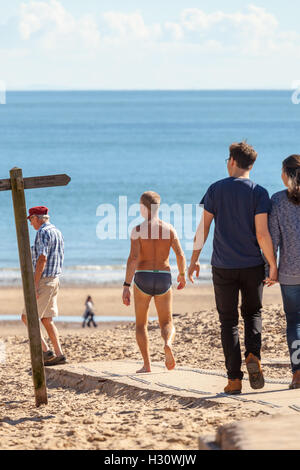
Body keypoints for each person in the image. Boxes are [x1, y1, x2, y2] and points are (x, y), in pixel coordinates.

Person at [188, 141, 278, 395]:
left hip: (223, 267)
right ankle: (253, 354)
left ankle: (234, 379)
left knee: (228, 322)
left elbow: (203, 228)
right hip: (252, 266)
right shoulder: (259, 192)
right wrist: (273, 264)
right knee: (253, 314)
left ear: (232, 161)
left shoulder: (215, 189)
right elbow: (262, 234)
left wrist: (194, 260)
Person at [122, 191, 186, 373]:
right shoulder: (169, 229)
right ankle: (167, 343)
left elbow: (133, 259)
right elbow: (180, 255)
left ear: (143, 208)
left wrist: (126, 286)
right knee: (166, 322)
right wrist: (181, 274)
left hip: (143, 277)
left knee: (141, 324)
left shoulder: (137, 230)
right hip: (164, 277)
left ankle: (147, 365)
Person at [269, 155, 300, 389]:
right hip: (289, 275)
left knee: (294, 323)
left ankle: (298, 374)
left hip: (289, 273)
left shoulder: (278, 200)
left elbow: (273, 240)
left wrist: (271, 269)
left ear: (286, 174)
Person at [21, 206, 66, 366]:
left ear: (36, 218)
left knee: (27, 317)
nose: (30, 223)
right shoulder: (57, 231)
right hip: (55, 279)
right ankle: (59, 354)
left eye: (30, 219)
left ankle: (46, 351)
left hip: (44, 280)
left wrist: (34, 284)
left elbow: (42, 258)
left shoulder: (43, 232)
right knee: (47, 319)